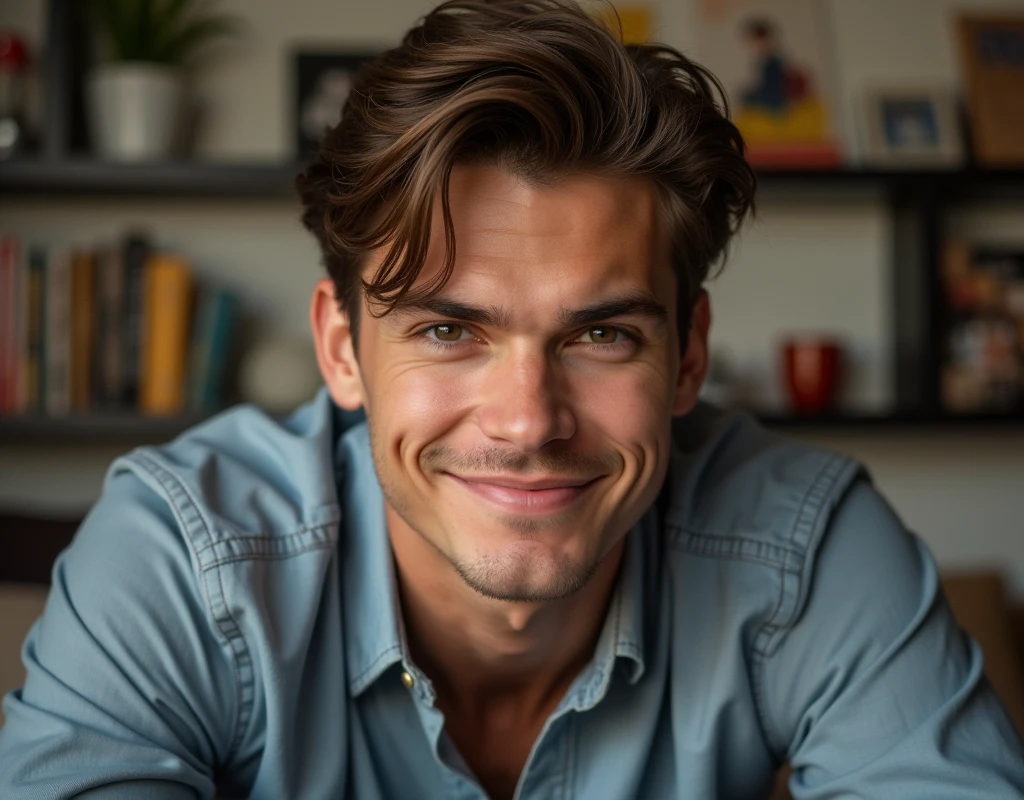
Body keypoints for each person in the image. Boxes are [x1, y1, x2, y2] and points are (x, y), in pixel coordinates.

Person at [2, 1, 1022, 797]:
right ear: (341, 347)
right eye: (450, 330)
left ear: (686, 356)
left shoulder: (805, 548)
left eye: (601, 334)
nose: (527, 419)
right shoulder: (183, 555)